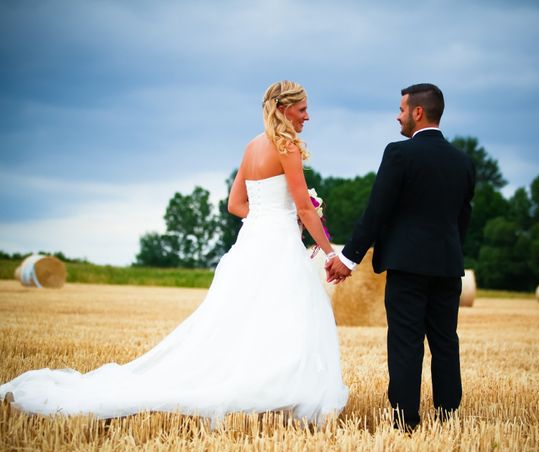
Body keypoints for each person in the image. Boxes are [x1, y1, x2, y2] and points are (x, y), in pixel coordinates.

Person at [0, 80, 348, 426]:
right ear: (285, 109)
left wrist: (269, 217)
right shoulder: (285, 146)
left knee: (243, 320)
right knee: (283, 320)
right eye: (303, 109)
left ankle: (265, 392)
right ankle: (278, 394)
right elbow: (303, 207)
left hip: (251, 243)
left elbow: (235, 204)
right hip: (277, 247)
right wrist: (328, 250)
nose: (308, 116)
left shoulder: (252, 147)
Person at [326, 83, 475, 430]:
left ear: (417, 112)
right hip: (448, 266)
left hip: (407, 266)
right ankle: (448, 416)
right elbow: (461, 219)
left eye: (401, 109)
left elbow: (376, 211)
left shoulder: (398, 154)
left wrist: (348, 259)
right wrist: (450, 252)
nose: (398, 115)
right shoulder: (463, 162)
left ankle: (405, 420)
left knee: (406, 342)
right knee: (445, 341)